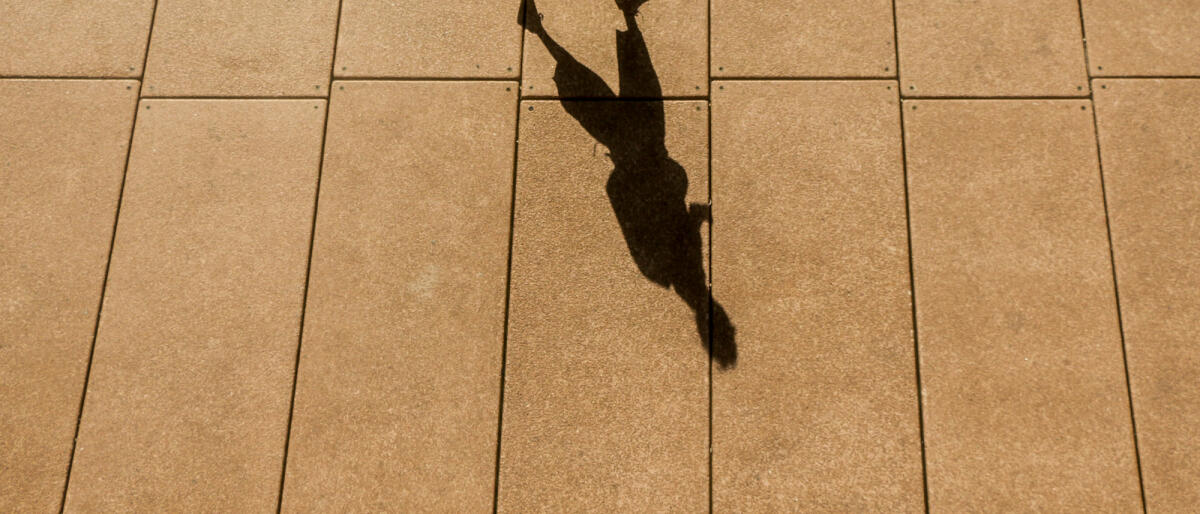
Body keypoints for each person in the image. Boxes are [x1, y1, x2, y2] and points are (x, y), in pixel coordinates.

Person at [519, 0, 737, 368]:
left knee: (611, 83)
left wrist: (687, 207)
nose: (729, 319)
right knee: (615, 83)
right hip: (636, 151)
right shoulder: (669, 274)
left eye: (726, 326)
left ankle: (577, 23)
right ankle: (608, 17)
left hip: (641, 150)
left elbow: (667, 224)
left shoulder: (674, 272)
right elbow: (665, 223)